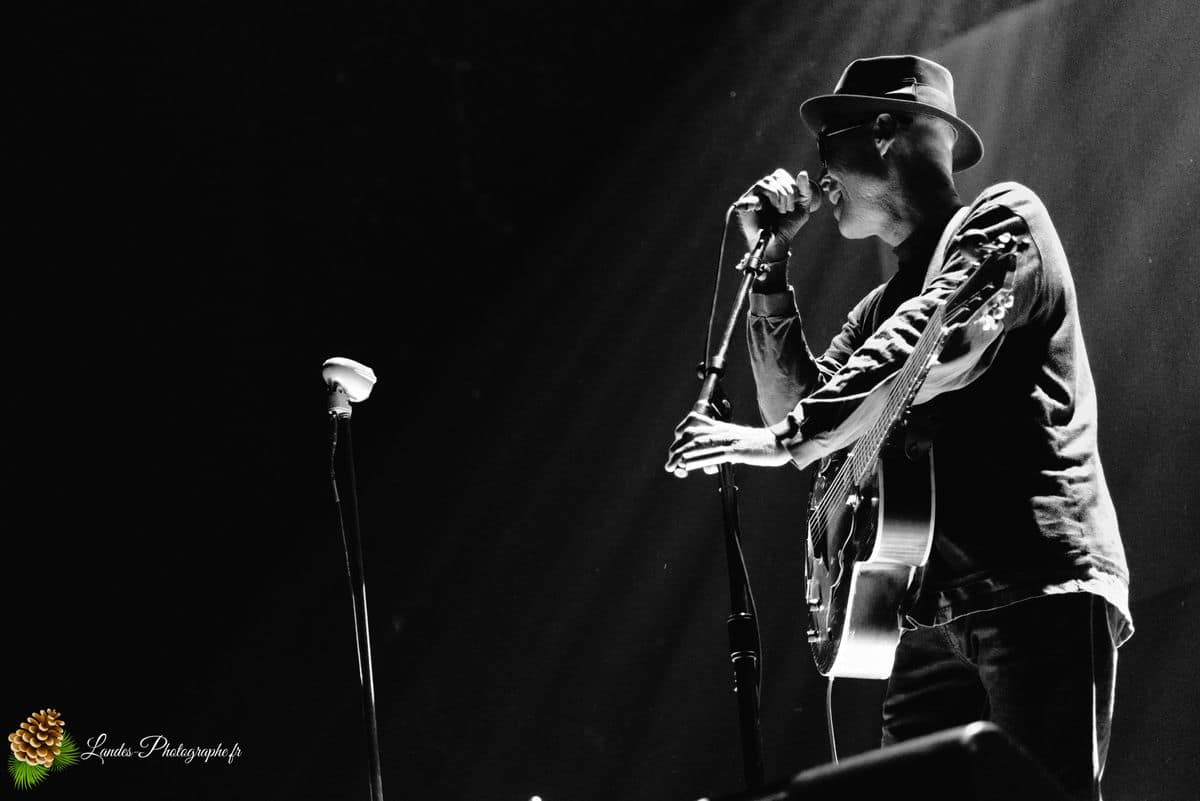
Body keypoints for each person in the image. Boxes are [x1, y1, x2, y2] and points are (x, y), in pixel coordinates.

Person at [664, 55, 1131, 801]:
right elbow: (803, 408)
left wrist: (786, 441)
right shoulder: (877, 307)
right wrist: (770, 273)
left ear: (883, 130)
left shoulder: (1007, 219)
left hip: (1033, 587)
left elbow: (932, 339)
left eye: (828, 147)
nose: (819, 175)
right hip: (921, 610)